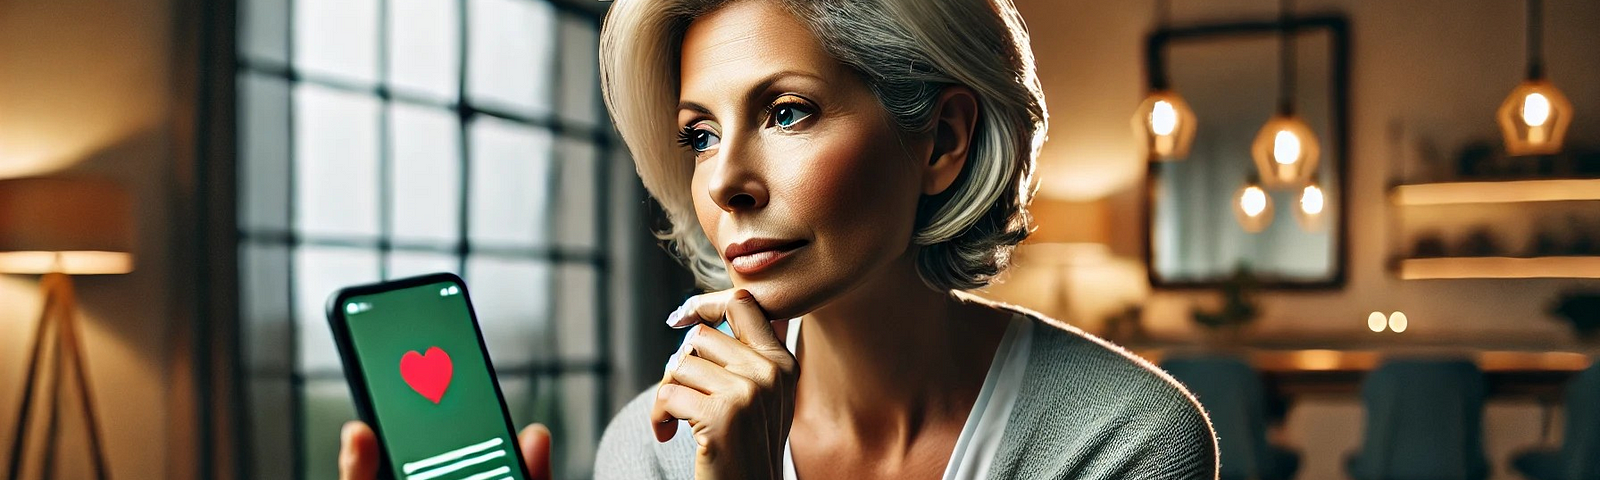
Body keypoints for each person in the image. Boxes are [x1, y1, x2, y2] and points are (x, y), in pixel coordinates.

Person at [342, 0, 1219, 478]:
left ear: (942, 142)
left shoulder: (1126, 443)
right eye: (700, 134)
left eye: (786, 111)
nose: (724, 182)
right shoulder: (647, 448)